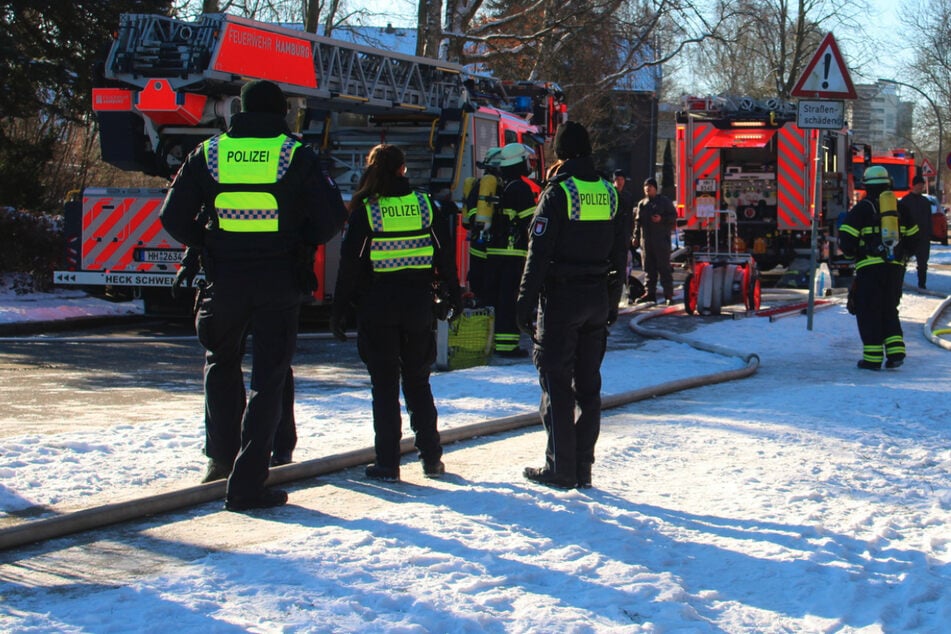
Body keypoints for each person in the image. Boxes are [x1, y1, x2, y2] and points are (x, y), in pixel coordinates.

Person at [160, 79, 348, 511]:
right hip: (278, 278)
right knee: (269, 376)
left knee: (220, 363)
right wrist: (298, 240)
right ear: (282, 112)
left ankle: (220, 460)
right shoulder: (295, 154)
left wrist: (209, 242)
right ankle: (248, 481)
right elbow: (330, 219)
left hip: (223, 278)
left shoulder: (209, 153)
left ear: (238, 110)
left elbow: (172, 217)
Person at [329, 144, 462, 482]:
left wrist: (339, 309)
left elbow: (350, 266)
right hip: (417, 305)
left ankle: (387, 464)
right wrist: (454, 292)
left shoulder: (366, 211)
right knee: (418, 382)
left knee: (385, 387)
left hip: (378, 307)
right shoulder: (424, 205)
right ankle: (431, 458)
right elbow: (444, 253)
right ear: (403, 169)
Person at [515, 121, 629, 489]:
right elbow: (621, 254)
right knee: (589, 387)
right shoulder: (610, 193)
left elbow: (538, 254)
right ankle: (583, 467)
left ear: (561, 153)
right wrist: (613, 300)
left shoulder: (559, 192)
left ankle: (560, 467)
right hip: (597, 297)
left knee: (556, 381)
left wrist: (524, 302)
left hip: (563, 299)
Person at [172, 247, 298, 480]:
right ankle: (277, 449)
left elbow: (186, 223)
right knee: (272, 366)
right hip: (274, 275)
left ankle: (224, 458)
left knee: (224, 364)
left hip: (228, 276)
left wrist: (190, 260)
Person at [839, 165, 920, 370]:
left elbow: (846, 239)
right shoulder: (901, 209)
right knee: (889, 308)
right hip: (895, 269)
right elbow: (915, 238)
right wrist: (902, 256)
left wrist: (851, 255)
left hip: (869, 269)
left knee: (869, 311)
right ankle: (896, 352)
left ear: (866, 185)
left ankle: (873, 359)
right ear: (889, 183)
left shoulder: (862, 209)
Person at [484, 143, 538, 357]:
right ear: (518, 162)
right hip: (512, 252)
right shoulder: (520, 188)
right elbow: (530, 223)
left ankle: (491, 342)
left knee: (495, 299)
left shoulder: (499, 185)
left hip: (493, 252)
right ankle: (507, 346)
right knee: (509, 299)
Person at [463, 147, 501, 305]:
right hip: (490, 250)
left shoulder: (479, 186)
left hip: (478, 248)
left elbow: (471, 214)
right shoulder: (491, 187)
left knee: (481, 293)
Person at [634, 177, 677, 304]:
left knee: (664, 268)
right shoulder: (642, 204)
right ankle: (650, 293)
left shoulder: (664, 202)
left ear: (655, 189)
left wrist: (661, 219)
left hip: (661, 241)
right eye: (646, 186)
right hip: (646, 242)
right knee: (648, 268)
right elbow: (637, 222)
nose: (647, 188)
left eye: (650, 186)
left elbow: (673, 217)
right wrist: (635, 236)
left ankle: (668, 295)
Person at [612, 169, 641, 303]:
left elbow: (630, 217)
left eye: (622, 179)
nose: (620, 182)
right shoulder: (610, 194)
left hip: (624, 235)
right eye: (617, 179)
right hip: (612, 235)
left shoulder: (628, 196)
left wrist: (631, 234)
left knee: (624, 264)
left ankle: (624, 290)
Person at [899, 174, 932, 289]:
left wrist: (929, 234)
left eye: (922, 185)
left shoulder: (925, 202)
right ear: (913, 186)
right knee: (902, 261)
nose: (920, 187)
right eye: (918, 185)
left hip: (923, 237)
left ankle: (922, 284)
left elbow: (929, 219)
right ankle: (899, 283)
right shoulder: (905, 201)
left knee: (923, 263)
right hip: (908, 237)